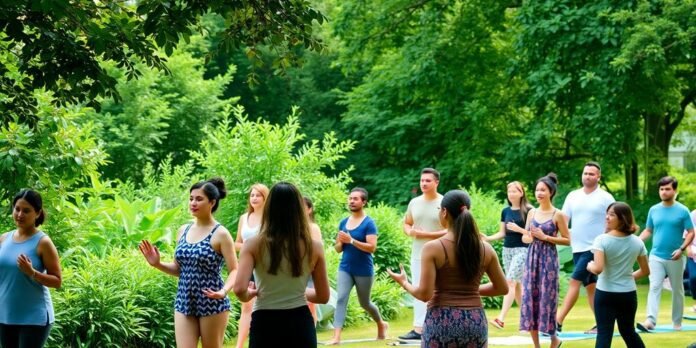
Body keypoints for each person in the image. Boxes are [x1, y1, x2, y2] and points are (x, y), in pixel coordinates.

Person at [387, 190, 508, 347]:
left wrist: (404, 282)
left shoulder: (433, 248)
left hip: (442, 320)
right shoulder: (486, 249)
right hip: (475, 322)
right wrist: (469, 291)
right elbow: (502, 288)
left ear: (444, 212)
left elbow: (425, 294)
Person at [139, 178, 238, 348]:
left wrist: (223, 291)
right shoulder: (182, 231)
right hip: (184, 300)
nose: (193, 203)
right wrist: (157, 264)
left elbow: (235, 270)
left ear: (212, 202)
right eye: (191, 198)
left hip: (211, 301)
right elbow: (179, 269)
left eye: (199, 199)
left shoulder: (221, 234)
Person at [233, 182, 330, 348]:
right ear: (299, 210)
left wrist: (251, 293)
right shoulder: (314, 247)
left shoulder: (252, 245)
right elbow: (323, 296)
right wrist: (296, 292)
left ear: (269, 208)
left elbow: (239, 290)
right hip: (300, 321)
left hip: (265, 321)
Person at [556, 162, 615, 334]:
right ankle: (602, 324)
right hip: (577, 248)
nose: (587, 176)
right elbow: (563, 221)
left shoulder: (606, 197)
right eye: (585, 173)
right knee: (590, 288)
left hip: (595, 248)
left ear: (598, 177)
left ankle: (557, 322)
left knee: (574, 281)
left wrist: (605, 238)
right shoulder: (573, 196)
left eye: (591, 174)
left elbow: (614, 219)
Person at [0, 189, 62, 348]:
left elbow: (57, 281)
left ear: (37, 213)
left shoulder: (43, 242)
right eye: (17, 209)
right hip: (5, 315)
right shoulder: (4, 239)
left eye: (26, 211)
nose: (20, 214)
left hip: (34, 318)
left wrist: (32, 273)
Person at [327, 187, 388, 345]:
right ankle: (336, 337)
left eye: (355, 199)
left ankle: (381, 324)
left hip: (363, 269)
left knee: (365, 303)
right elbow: (338, 248)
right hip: (345, 267)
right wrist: (340, 243)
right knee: (341, 299)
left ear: (364, 202)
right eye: (350, 198)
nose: (352, 201)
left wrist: (351, 240)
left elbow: (372, 247)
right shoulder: (343, 222)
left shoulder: (369, 223)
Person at [586, 202, 649, 348]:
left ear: (622, 218)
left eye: (612, 214)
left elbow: (598, 268)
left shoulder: (602, 240)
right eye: (607, 214)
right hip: (628, 294)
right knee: (628, 331)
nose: (607, 217)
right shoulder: (637, 242)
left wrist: (589, 266)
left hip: (605, 294)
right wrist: (627, 278)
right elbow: (646, 271)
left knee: (604, 333)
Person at [638, 176, 695, 331]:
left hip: (676, 256)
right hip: (656, 255)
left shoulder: (682, 211)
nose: (664, 192)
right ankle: (650, 321)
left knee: (677, 289)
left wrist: (682, 249)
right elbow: (648, 230)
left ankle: (677, 322)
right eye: (661, 189)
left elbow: (691, 232)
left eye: (667, 189)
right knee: (654, 286)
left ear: (674, 191)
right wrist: (636, 242)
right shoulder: (654, 210)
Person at [520, 173, 569, 348]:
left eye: (543, 190)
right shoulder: (531, 212)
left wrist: (545, 237)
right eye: (537, 189)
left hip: (548, 261)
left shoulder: (558, 214)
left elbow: (567, 239)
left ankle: (554, 338)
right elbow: (526, 237)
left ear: (551, 192)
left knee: (547, 299)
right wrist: (529, 237)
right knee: (530, 299)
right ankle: (537, 346)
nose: (539, 193)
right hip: (532, 259)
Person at [400, 167, 447, 341]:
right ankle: (419, 330)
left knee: (439, 290)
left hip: (441, 253)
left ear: (436, 182)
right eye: (422, 180)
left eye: (428, 180)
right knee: (419, 290)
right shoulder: (414, 202)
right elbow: (407, 224)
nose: (424, 183)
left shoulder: (444, 203)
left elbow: (451, 230)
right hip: (418, 254)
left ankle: (441, 326)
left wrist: (425, 234)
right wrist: (411, 232)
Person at [486, 181, 532, 330]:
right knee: (517, 286)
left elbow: (532, 234)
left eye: (515, 191)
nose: (511, 194)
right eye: (509, 191)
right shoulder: (505, 211)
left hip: (523, 250)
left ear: (521, 193)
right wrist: (487, 238)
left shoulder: (529, 210)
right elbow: (502, 233)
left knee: (510, 281)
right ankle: (528, 318)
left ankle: (501, 318)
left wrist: (519, 229)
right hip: (508, 250)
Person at [233, 183, 268, 348]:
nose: (254, 198)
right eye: (252, 195)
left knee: (264, 305)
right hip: (247, 267)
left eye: (257, 195)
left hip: (265, 267)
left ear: (264, 198)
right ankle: (239, 345)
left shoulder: (270, 218)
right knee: (246, 306)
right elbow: (236, 244)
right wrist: (248, 246)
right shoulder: (243, 218)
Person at [304, 196, 324, 324]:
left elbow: (317, 249)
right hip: (297, 269)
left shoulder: (313, 227)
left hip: (310, 268)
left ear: (309, 210)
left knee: (310, 303)